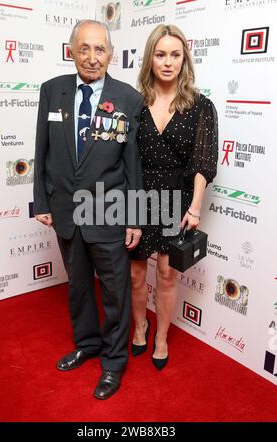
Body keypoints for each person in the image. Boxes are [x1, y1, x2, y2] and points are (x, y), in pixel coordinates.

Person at [33, 20, 143, 399]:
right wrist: (42, 201)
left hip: (110, 213)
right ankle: (88, 343)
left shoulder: (129, 98)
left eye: (100, 50)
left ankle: (114, 361)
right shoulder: (52, 91)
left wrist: (134, 216)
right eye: (84, 49)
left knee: (115, 292)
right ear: (71, 51)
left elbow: (133, 164)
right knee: (78, 287)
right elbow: (41, 150)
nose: (92, 58)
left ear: (111, 55)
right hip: (65, 211)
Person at [130, 24, 218, 370]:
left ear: (185, 59)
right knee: (136, 274)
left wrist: (195, 207)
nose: (168, 62)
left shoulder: (199, 106)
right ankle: (140, 325)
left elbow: (203, 161)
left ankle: (161, 337)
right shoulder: (134, 103)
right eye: (161, 54)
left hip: (177, 197)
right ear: (151, 58)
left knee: (167, 274)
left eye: (175, 55)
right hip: (137, 194)